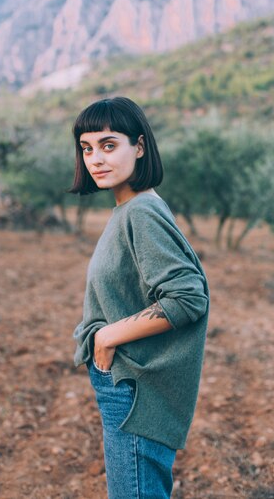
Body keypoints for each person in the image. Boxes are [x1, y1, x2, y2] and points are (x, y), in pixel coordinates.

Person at [70, 97, 210, 499]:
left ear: (140, 146)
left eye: (109, 145)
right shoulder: (132, 208)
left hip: (133, 389)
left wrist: (107, 336)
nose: (96, 158)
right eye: (87, 147)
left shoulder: (140, 213)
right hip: (130, 385)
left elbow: (186, 297)